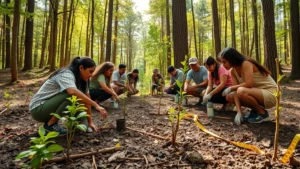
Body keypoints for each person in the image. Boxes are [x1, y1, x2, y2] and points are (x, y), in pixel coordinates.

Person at [29, 57, 108, 134]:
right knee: (72, 96)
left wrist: (90, 122)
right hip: (38, 109)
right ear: (81, 68)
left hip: (50, 109)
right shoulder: (66, 73)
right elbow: (72, 91)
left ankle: (73, 125)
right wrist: (96, 105)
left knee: (84, 125)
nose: (92, 75)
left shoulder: (84, 80)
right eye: (90, 71)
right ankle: (50, 125)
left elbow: (87, 100)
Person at [219, 47, 277, 124]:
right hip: (258, 93)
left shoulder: (246, 63)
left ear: (231, 59)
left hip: (272, 93)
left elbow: (249, 84)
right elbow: (235, 91)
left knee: (241, 91)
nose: (223, 65)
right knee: (230, 97)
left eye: (224, 62)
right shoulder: (232, 71)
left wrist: (230, 87)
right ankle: (256, 111)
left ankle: (263, 114)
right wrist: (239, 112)